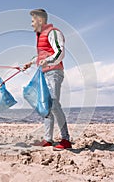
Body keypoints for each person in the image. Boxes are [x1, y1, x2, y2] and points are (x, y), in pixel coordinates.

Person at [23, 9, 72, 149]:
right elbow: (42, 56)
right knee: (46, 106)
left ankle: (66, 140)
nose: (31, 24)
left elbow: (60, 52)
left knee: (54, 104)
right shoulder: (40, 36)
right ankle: (48, 139)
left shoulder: (53, 32)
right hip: (44, 74)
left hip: (54, 73)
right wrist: (30, 63)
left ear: (40, 20)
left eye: (32, 21)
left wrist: (48, 62)